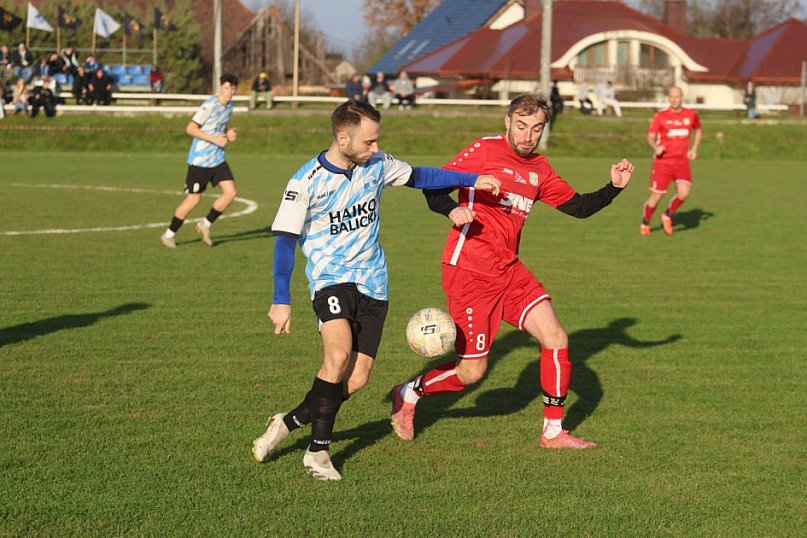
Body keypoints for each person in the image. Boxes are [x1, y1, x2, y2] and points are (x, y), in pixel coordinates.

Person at [251, 100, 502, 480]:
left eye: (376, 141)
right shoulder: (305, 181)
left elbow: (421, 176)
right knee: (337, 357)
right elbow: (285, 241)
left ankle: (288, 421)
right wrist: (280, 299)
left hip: (374, 282)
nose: (374, 148)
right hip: (331, 278)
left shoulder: (377, 164)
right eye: (368, 142)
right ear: (343, 137)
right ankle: (317, 453)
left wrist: (470, 179)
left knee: (356, 379)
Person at [389, 92, 635, 449]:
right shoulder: (484, 151)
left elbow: (579, 208)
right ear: (507, 122)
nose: (527, 135)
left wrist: (613, 187)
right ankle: (409, 393)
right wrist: (451, 210)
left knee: (556, 338)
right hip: (469, 271)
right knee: (472, 372)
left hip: (509, 270)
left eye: (536, 129)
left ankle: (553, 432)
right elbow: (434, 186)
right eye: (521, 126)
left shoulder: (540, 169)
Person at [160, 74, 240, 249]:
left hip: (217, 159)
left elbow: (220, 128)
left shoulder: (230, 106)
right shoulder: (209, 105)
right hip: (200, 161)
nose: (230, 92)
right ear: (220, 88)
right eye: (227, 88)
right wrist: (215, 139)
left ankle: (205, 224)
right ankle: (169, 234)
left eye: (233, 89)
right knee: (194, 200)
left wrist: (228, 134)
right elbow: (191, 128)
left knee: (230, 193)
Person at [640, 86, 702, 236]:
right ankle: (646, 222)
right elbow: (650, 136)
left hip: (681, 163)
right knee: (656, 197)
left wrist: (694, 149)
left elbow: (698, 130)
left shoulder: (691, 114)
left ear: (682, 98)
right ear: (668, 98)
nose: (675, 99)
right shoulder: (661, 116)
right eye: (672, 97)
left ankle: (667, 215)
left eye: (678, 96)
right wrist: (656, 147)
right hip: (663, 163)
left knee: (684, 193)